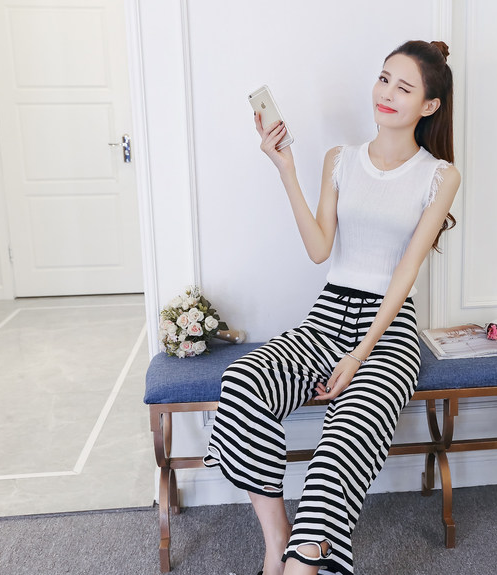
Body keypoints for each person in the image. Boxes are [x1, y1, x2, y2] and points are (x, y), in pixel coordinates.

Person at [204, 40, 461, 575]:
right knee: (244, 383)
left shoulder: (439, 176)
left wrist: (359, 355)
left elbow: (404, 274)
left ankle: (303, 564)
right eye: (384, 79)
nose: (386, 93)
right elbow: (320, 249)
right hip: (325, 318)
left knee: (342, 440)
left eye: (403, 87)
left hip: (388, 331)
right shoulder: (339, 160)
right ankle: (276, 543)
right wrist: (285, 169)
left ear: (429, 105)